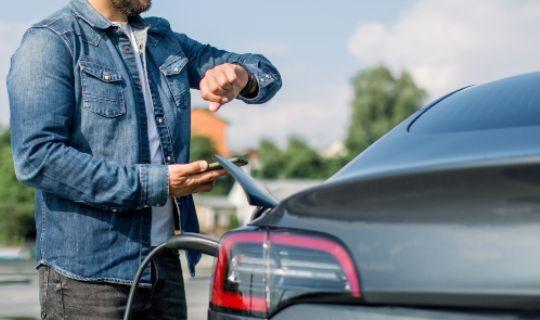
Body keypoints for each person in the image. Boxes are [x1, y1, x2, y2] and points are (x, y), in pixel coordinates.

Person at [6, 0, 282, 318]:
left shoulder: (164, 40)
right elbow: (37, 158)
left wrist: (240, 75)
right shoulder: (50, 41)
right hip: (88, 276)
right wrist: (158, 183)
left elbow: (266, 73)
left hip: (164, 263)